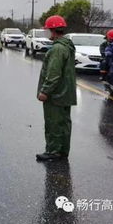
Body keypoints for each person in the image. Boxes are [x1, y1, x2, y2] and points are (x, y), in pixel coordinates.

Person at [36, 15, 77, 161]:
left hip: (57, 95)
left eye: (47, 30)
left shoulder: (57, 49)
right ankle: (62, 151)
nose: (46, 32)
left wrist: (45, 91)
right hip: (66, 94)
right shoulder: (67, 45)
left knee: (53, 123)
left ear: (53, 31)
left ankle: (53, 151)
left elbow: (53, 74)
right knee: (64, 123)